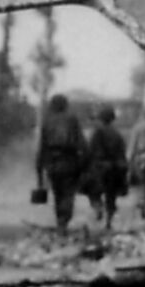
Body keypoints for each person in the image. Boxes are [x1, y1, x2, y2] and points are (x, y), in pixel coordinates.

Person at [35, 93, 87, 233]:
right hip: (69, 162)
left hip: (52, 163)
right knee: (68, 193)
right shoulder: (72, 120)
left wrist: (39, 172)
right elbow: (81, 143)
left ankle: (60, 222)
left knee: (58, 193)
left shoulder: (47, 122)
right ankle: (64, 220)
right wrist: (85, 163)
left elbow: (42, 147)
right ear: (65, 105)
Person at [84, 104, 130, 229]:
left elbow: (90, 150)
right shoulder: (117, 134)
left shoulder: (97, 132)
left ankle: (97, 206)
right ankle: (108, 222)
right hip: (114, 168)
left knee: (93, 191)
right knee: (111, 196)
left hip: (99, 167)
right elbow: (122, 153)